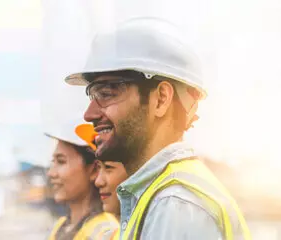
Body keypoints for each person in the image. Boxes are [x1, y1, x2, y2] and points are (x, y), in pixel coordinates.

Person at [65, 17, 249, 239]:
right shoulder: (160, 198)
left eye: (107, 94)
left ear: (161, 99)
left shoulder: (176, 205)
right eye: (93, 96)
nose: (90, 114)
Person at [45, 122, 118, 240]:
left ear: (94, 169)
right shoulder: (59, 227)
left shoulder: (106, 233)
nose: (51, 173)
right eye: (53, 162)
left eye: (61, 161)